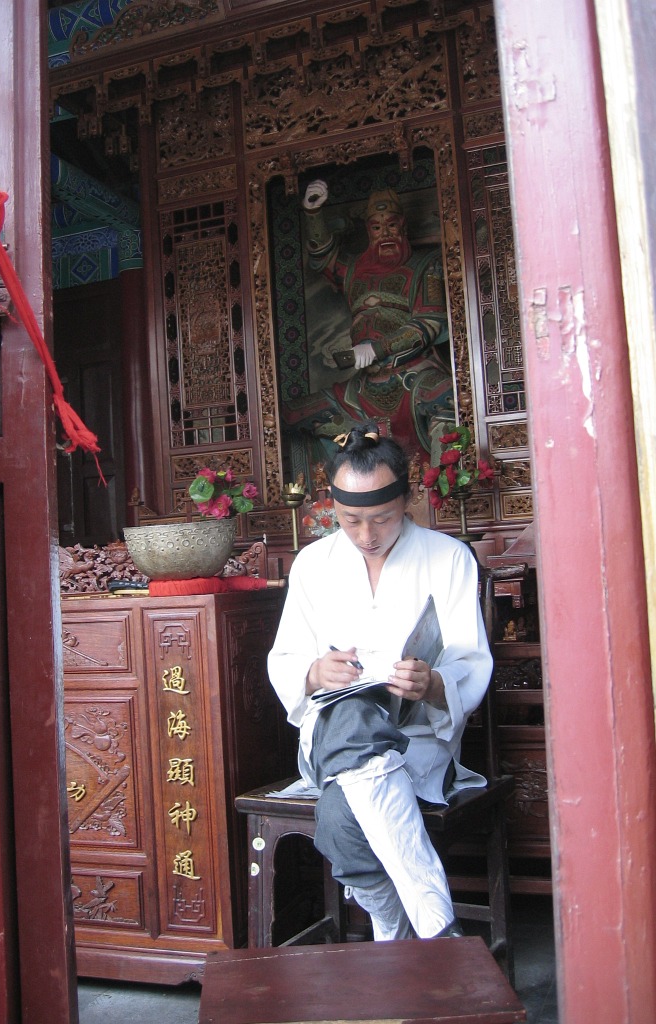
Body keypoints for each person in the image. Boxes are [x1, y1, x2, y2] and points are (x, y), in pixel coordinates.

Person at [267, 423, 492, 940]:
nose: (367, 535)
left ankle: (393, 932)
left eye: (382, 518)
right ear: (332, 508)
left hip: (416, 739)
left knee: (337, 817)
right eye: (351, 521)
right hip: (332, 735)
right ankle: (436, 923)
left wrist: (432, 682)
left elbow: (470, 660)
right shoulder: (312, 564)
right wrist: (314, 672)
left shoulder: (448, 556)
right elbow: (286, 657)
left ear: (407, 501)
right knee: (350, 711)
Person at [283, 181, 455, 471]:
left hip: (413, 376)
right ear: (368, 231)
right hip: (363, 386)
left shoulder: (426, 266)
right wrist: (313, 213)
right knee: (292, 414)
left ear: (403, 227)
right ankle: (347, 460)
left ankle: (442, 483)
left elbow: (430, 323)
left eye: (391, 225)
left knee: (449, 396)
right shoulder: (355, 270)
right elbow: (324, 258)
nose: (385, 233)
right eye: (377, 227)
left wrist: (377, 349)